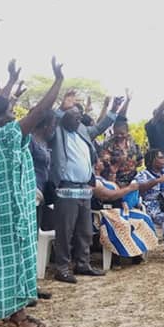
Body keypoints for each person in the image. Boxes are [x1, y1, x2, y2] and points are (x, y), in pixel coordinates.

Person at [0, 57, 63, 327]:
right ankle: (18, 316)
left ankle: (13, 311)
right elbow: (37, 112)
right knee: (13, 260)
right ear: (1, 117)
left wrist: (10, 81)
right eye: (9, 110)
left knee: (4, 261)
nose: (14, 112)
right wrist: (58, 80)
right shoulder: (5, 135)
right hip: (6, 210)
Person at [49, 92, 122, 283]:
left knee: (85, 229)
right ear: (65, 116)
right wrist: (61, 108)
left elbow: (98, 128)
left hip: (84, 187)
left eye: (79, 117)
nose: (78, 119)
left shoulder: (80, 129)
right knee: (65, 230)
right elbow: (49, 122)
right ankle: (62, 268)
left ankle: (82, 264)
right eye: (74, 116)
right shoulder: (56, 130)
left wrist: (114, 110)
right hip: (66, 187)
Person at [93, 159, 157, 260]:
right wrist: (129, 189)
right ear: (95, 166)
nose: (103, 163)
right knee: (122, 223)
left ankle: (136, 251)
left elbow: (115, 190)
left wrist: (122, 201)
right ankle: (117, 256)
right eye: (100, 161)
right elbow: (107, 195)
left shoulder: (102, 178)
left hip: (117, 208)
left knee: (143, 218)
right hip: (105, 211)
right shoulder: (94, 181)